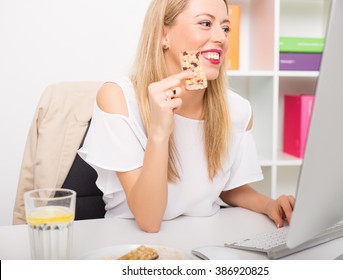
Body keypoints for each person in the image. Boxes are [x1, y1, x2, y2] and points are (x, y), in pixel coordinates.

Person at [78, 0, 295, 233]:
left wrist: (270, 205)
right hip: (131, 244)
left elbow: (230, 188)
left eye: (225, 28)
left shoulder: (238, 110)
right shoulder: (118, 99)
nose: (221, 38)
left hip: (202, 239)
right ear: (164, 35)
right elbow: (149, 221)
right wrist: (159, 133)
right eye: (205, 23)